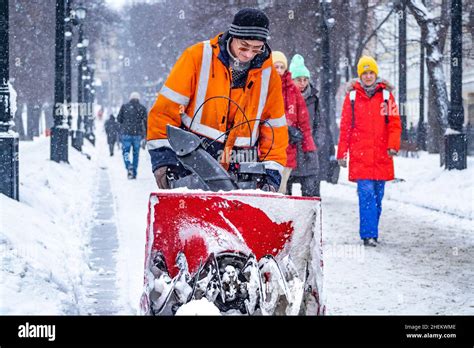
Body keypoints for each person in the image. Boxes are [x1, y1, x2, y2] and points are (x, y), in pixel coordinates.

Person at [147, 8, 288, 191]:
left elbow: (275, 128)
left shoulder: (269, 75)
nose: (248, 54)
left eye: (256, 48)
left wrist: (272, 172)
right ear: (232, 36)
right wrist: (163, 158)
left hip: (242, 167)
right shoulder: (197, 57)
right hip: (192, 162)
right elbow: (165, 110)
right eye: (244, 46)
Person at [337, 55, 402, 247]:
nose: (367, 76)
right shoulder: (352, 98)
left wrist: (393, 145)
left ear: (376, 74)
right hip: (361, 156)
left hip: (382, 155)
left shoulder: (386, 96)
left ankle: (372, 230)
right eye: (364, 73)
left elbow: (395, 123)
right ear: (360, 75)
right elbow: (346, 127)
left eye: (370, 72)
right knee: (366, 195)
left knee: (378, 197)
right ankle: (368, 235)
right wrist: (342, 153)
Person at [288, 53, 334, 197]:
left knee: (311, 197)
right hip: (289, 153)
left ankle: (309, 220)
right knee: (284, 197)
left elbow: (320, 124)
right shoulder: (283, 96)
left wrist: (315, 142)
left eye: (305, 79)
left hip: (309, 153)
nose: (302, 83)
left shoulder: (314, 99)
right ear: (291, 79)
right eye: (298, 79)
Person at [272, 51, 316, 194]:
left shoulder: (293, 91)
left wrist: (308, 147)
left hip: (287, 149)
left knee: (281, 190)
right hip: (266, 149)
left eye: (281, 67)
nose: (278, 70)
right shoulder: (262, 87)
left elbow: (304, 122)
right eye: (275, 67)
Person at [117, 92, 148, 179]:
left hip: (126, 133)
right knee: (136, 154)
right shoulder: (142, 108)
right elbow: (146, 122)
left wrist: (124, 125)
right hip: (137, 134)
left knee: (126, 153)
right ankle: (134, 171)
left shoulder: (124, 107)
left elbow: (119, 119)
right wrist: (146, 134)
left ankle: (128, 165)